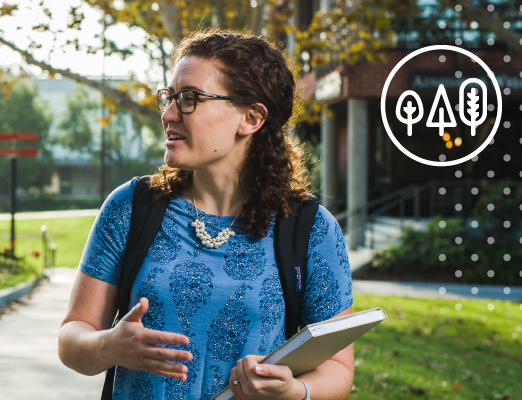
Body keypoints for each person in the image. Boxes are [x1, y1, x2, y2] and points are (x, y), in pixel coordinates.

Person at [58, 30, 355, 400]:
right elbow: (73, 337)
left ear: (250, 118)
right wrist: (108, 346)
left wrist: (296, 390)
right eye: (169, 97)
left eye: (189, 99)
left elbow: (339, 369)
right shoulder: (131, 207)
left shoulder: (310, 229)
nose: (167, 114)